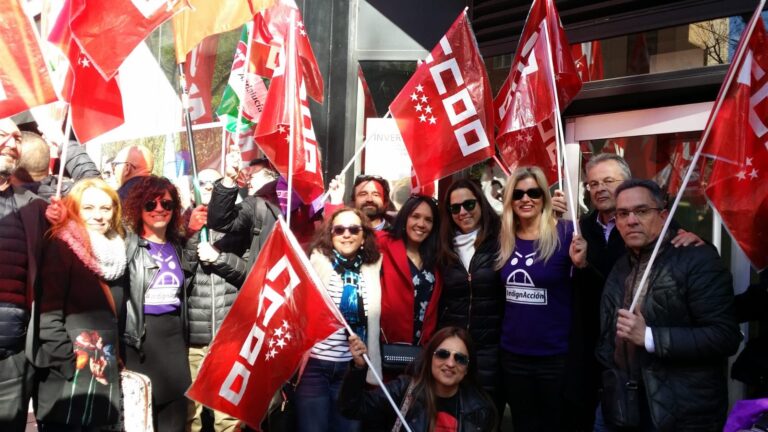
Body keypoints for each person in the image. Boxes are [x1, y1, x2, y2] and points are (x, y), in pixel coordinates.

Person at [565, 153, 704, 431]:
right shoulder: (579, 229)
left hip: (638, 359)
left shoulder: (649, 227)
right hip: (590, 349)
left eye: (608, 181)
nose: (600, 188)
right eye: (592, 184)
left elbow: (682, 253)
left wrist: (697, 242)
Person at [595, 179, 741, 431]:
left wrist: (650, 337)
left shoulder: (698, 259)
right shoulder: (621, 265)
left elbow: (725, 336)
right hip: (620, 405)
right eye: (622, 213)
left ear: (663, 215)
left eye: (641, 211)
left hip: (677, 413)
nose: (631, 220)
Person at [495, 167, 587, 432]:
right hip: (513, 355)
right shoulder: (503, 238)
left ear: (545, 197)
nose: (526, 199)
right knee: (523, 425)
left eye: (534, 192)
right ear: (510, 200)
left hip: (554, 357)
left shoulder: (568, 233)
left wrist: (583, 265)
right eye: (518, 193)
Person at [34, 178, 127, 430]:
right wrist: (68, 364)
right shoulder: (60, 245)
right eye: (88, 208)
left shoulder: (118, 251)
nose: (98, 216)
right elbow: (47, 317)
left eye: (105, 208)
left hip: (103, 377)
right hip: (71, 382)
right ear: (73, 208)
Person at [297, 207, 383, 432]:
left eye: (354, 229)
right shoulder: (315, 263)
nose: (347, 234)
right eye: (339, 229)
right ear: (330, 234)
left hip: (350, 369)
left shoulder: (373, 268)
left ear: (364, 236)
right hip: (314, 367)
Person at [122, 176, 195, 432]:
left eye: (166, 203)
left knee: (174, 423)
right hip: (140, 342)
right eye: (150, 204)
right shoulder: (128, 246)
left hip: (174, 340)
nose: (159, 209)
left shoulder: (178, 245)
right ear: (138, 208)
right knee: (141, 421)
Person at [185, 169, 249, 432]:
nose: (208, 187)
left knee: (228, 414)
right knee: (192, 413)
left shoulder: (240, 224)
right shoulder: (179, 223)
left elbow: (249, 271)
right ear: (192, 190)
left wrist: (219, 259)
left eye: (215, 182)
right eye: (202, 183)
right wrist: (190, 237)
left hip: (228, 335)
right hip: (194, 339)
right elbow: (180, 272)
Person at [339, 326, 496, 431]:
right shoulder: (404, 390)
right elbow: (351, 408)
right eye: (443, 354)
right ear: (430, 358)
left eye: (460, 359)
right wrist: (359, 368)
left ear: (467, 368)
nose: (450, 363)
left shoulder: (479, 410)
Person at [436, 178, 504, 412]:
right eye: (455, 208)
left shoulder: (502, 240)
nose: (462, 212)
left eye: (469, 204)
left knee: (485, 415)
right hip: (452, 351)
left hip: (490, 349)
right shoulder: (442, 246)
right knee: (450, 417)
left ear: (481, 204)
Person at [0, 118, 49, 431]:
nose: (12, 144)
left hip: (13, 357)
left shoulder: (36, 209)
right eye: (3, 135)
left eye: (17, 138)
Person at [378, 195, 442, 355]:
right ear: (405, 217)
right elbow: (347, 240)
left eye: (428, 220)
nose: (421, 224)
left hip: (423, 350)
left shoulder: (437, 256)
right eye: (415, 216)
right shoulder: (383, 244)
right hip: (386, 346)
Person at [207, 152, 282, 272]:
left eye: (252, 177)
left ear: (272, 178)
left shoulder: (300, 205)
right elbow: (220, 220)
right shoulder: (255, 205)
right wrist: (229, 179)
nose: (247, 182)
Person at [14, 132, 100, 201]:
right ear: (48, 164)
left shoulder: (7, 205)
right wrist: (61, 140)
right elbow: (95, 184)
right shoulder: (76, 198)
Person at [327, 174, 393, 230]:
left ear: (385, 202)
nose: (369, 199)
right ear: (353, 201)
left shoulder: (396, 234)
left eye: (376, 194)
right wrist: (336, 199)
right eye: (363, 194)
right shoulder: (345, 232)